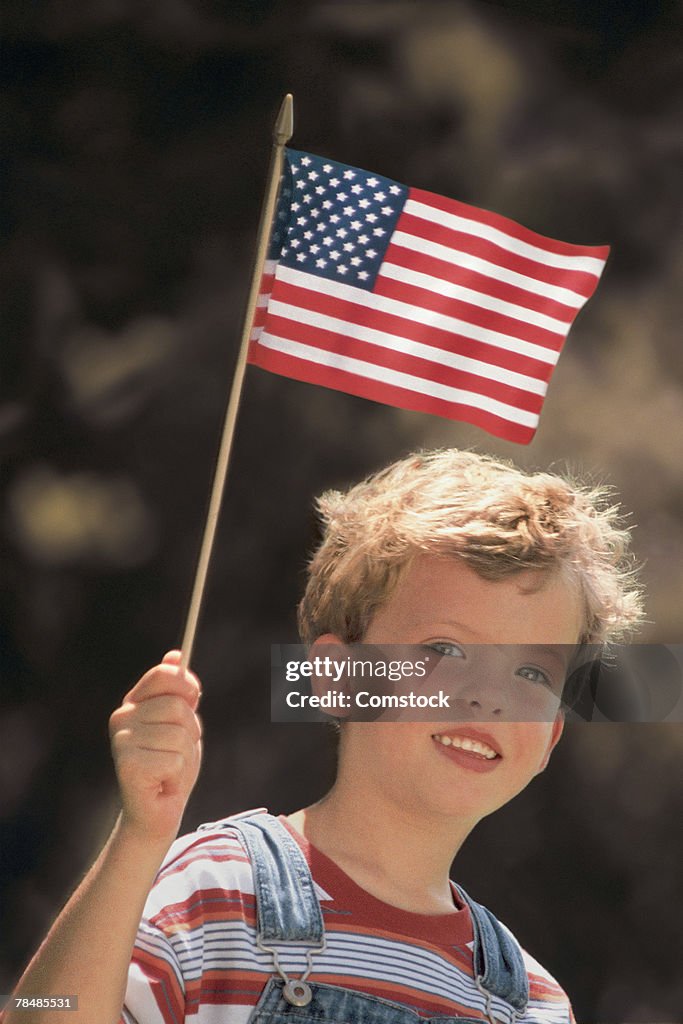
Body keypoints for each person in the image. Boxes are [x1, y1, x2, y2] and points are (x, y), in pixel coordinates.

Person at [5, 449, 644, 1024]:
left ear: (553, 734)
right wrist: (139, 836)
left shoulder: (530, 1003)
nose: (489, 695)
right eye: (446, 648)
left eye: (532, 670)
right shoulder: (219, 887)